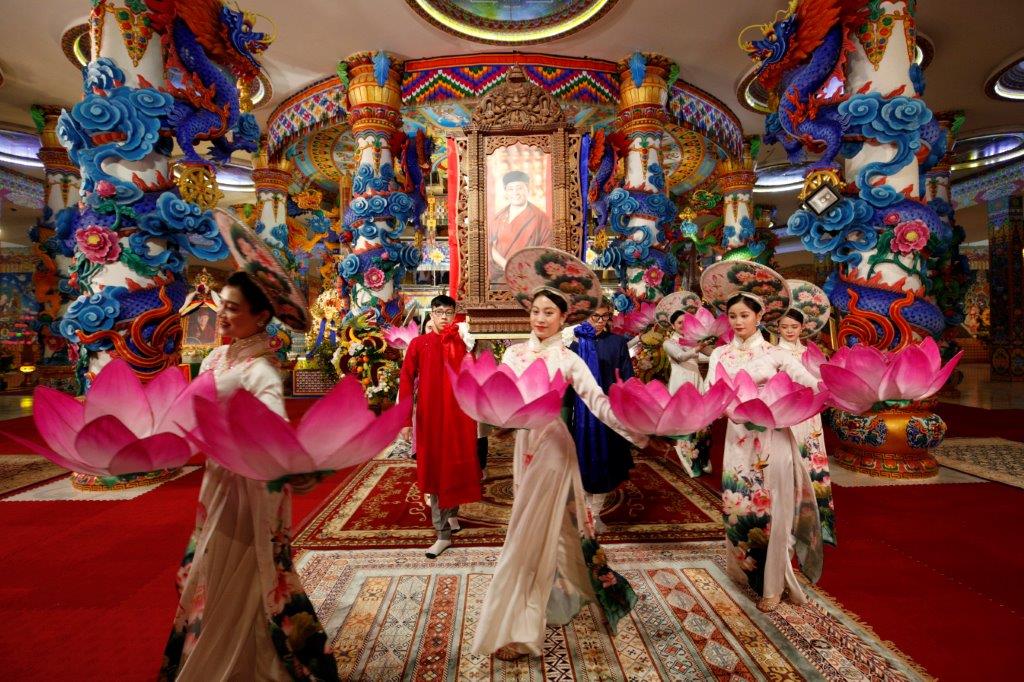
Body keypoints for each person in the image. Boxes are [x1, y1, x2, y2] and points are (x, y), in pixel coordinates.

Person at [160, 272, 338, 681]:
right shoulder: (215, 360)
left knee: (247, 565)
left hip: (252, 484)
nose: (221, 314)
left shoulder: (262, 370)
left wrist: (289, 461)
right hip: (218, 478)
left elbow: (275, 429)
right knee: (211, 562)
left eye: (233, 308)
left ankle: (253, 663)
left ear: (260, 317)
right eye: (222, 304)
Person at [472, 288, 647, 661]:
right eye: (535, 310)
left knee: (525, 536)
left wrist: (641, 430)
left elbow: (598, 402)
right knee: (555, 528)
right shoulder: (513, 354)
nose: (540, 318)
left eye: (549, 312)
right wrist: (491, 420)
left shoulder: (569, 359)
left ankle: (520, 631)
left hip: (553, 447)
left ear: (564, 317)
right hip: (524, 446)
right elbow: (498, 397)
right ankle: (581, 588)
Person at [705, 292, 823, 613]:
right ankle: (745, 571)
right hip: (738, 437)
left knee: (775, 507)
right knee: (739, 504)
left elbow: (809, 382)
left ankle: (773, 584)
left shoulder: (776, 353)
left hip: (773, 435)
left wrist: (835, 389)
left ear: (759, 317)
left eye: (745, 315)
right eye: (733, 316)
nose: (738, 322)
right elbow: (710, 391)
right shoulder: (720, 354)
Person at [398, 294, 481, 559]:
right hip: (430, 416)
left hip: (459, 415)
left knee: (456, 464)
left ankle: (452, 513)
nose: (444, 317)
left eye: (448, 312)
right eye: (439, 312)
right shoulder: (419, 344)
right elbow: (406, 381)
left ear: (455, 315)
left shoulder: (463, 342)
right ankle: (442, 533)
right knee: (434, 470)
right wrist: (404, 421)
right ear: (431, 314)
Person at [568, 299, 635, 531]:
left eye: (604, 317)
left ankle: (595, 514)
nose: (599, 322)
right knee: (582, 461)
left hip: (609, 411)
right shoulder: (574, 345)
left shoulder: (617, 343)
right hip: (581, 414)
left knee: (607, 462)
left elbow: (627, 377)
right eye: (594, 316)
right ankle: (584, 510)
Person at [775, 309, 836, 546]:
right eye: (784, 327)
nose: (789, 331)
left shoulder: (811, 353)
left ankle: (821, 525)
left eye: (794, 327)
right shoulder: (773, 353)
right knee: (789, 461)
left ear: (802, 327)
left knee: (814, 461)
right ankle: (788, 524)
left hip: (811, 412)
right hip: (788, 410)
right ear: (777, 328)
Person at [661, 309, 714, 477]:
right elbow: (681, 357)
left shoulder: (694, 340)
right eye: (679, 322)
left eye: (687, 322)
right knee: (685, 425)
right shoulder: (669, 342)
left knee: (703, 423)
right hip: (681, 384)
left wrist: (718, 343)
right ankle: (690, 462)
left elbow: (712, 354)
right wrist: (698, 346)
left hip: (696, 381)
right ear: (672, 325)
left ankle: (703, 458)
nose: (683, 325)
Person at [489, 170, 552, 283]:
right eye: (510, 189)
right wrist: (505, 264)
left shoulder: (540, 218)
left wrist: (520, 270)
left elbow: (546, 250)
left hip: (528, 278)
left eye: (519, 188)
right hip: (499, 276)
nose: (515, 193)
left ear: (527, 190)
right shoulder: (498, 217)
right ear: (506, 192)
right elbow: (489, 246)